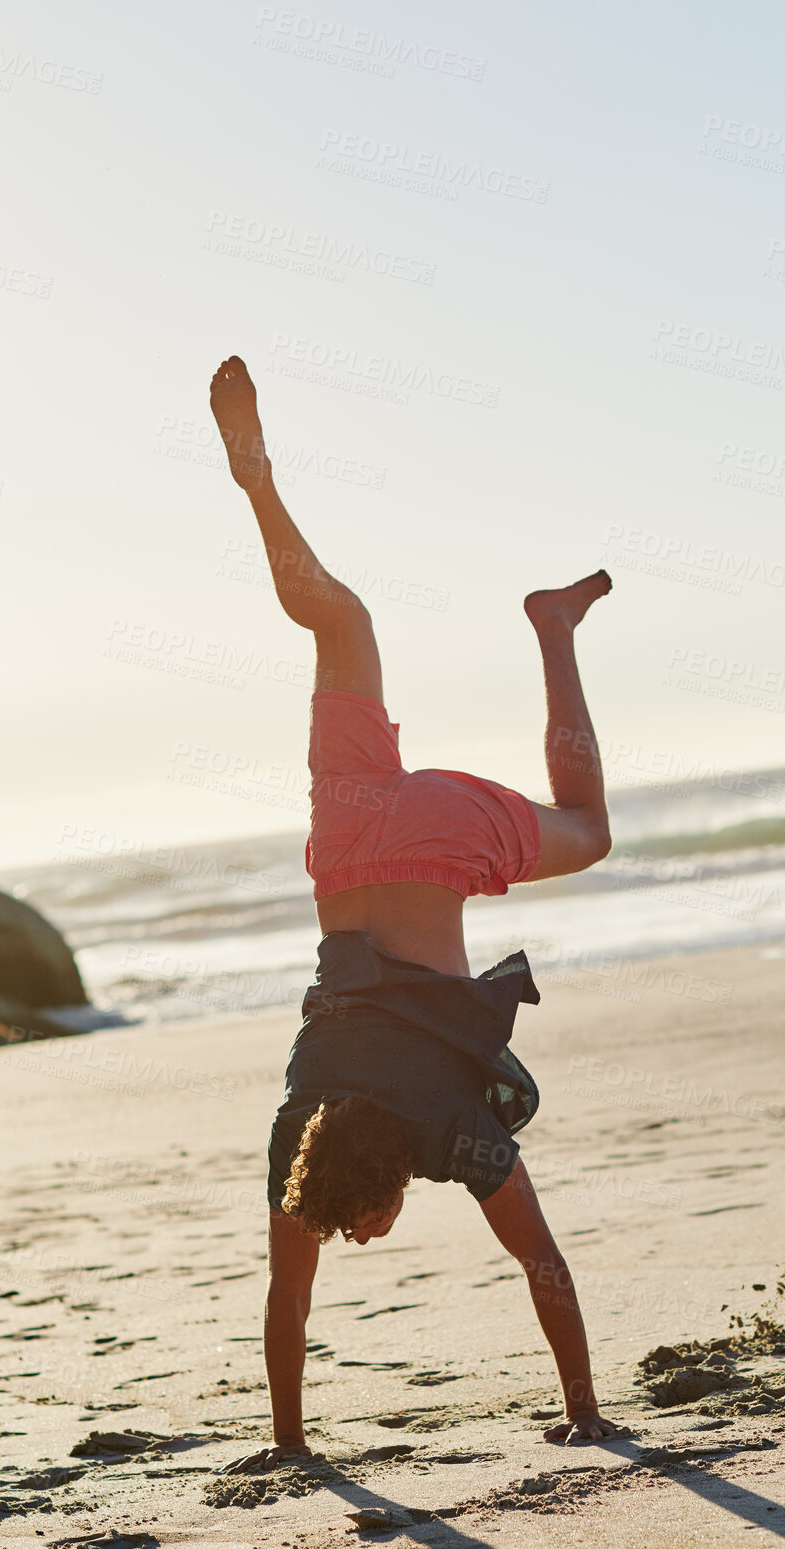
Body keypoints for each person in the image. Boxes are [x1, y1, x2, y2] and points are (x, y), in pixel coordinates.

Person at [209, 355, 619, 1466]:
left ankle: (554, 633)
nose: (359, 1237)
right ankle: (256, 485)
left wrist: (587, 1413)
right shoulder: (302, 1130)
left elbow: (546, 1267)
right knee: (339, 621)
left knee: (588, 829)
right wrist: (285, 1443)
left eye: (358, 1227)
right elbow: (286, 1305)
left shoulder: (456, 1131)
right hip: (349, 838)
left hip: (436, 843)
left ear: (393, 1183)